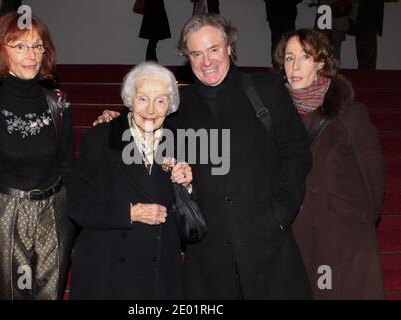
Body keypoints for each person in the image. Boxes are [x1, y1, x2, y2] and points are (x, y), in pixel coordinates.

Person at [97, 15, 313, 299]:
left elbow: (296, 154)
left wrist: (279, 216)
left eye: (213, 49)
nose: (206, 61)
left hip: (268, 247)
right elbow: (144, 128)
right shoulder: (180, 107)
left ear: (229, 48)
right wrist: (114, 123)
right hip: (209, 260)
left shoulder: (265, 90)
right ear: (188, 58)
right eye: (196, 53)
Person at [0, 12, 75, 300]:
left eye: (38, 46)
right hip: (7, 213)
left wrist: (68, 210)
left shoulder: (59, 104)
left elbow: (67, 164)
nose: (31, 55)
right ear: (1, 51)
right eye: (20, 46)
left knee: (50, 294)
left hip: (55, 212)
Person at [273, 28, 386, 299]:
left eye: (305, 57)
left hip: (343, 240)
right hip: (296, 235)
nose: (295, 66)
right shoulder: (275, 118)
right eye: (289, 58)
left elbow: (375, 183)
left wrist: (348, 218)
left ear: (321, 63)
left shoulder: (351, 115)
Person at [67, 62, 193, 299]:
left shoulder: (182, 140)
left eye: (160, 101)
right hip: (107, 268)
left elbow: (193, 215)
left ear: (171, 105)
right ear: (130, 98)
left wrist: (187, 185)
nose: (151, 109)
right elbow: (78, 206)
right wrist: (130, 213)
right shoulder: (100, 137)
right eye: (143, 98)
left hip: (160, 272)